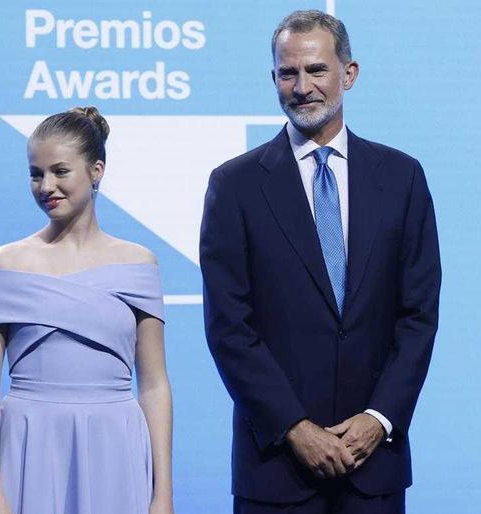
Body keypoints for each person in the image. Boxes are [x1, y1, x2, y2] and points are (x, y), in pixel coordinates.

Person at [200, 10, 440, 513]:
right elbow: (229, 327)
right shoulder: (235, 185)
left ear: (348, 74)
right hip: (276, 467)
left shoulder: (402, 178)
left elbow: (418, 316)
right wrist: (293, 427)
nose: (302, 87)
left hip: (374, 466)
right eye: (288, 73)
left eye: (316, 70)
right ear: (273, 78)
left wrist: (379, 418)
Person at [0, 107, 174, 514]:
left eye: (60, 171)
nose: (47, 186)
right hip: (30, 444)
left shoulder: (139, 265)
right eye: (36, 174)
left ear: (96, 171)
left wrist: (162, 494)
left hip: (114, 447)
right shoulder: (5, 265)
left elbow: (154, 385)